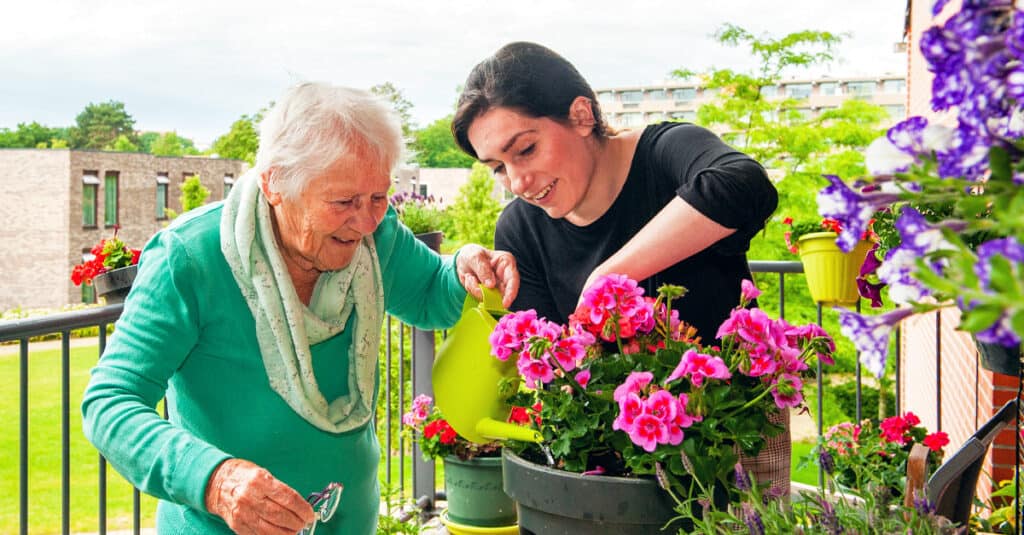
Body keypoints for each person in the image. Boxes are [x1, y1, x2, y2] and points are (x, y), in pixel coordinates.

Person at [82, 82, 519, 535]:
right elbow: (110, 402)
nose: (367, 220)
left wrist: (467, 266)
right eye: (344, 201)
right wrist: (217, 481)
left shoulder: (375, 237)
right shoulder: (190, 259)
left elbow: (431, 292)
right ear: (275, 184)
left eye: (377, 196)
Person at [451, 41, 783, 488]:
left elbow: (743, 185)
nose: (517, 183)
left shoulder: (665, 153)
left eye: (526, 150)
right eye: (498, 168)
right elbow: (558, 373)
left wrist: (608, 277)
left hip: (734, 430)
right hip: (616, 454)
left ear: (582, 115)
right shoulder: (519, 229)